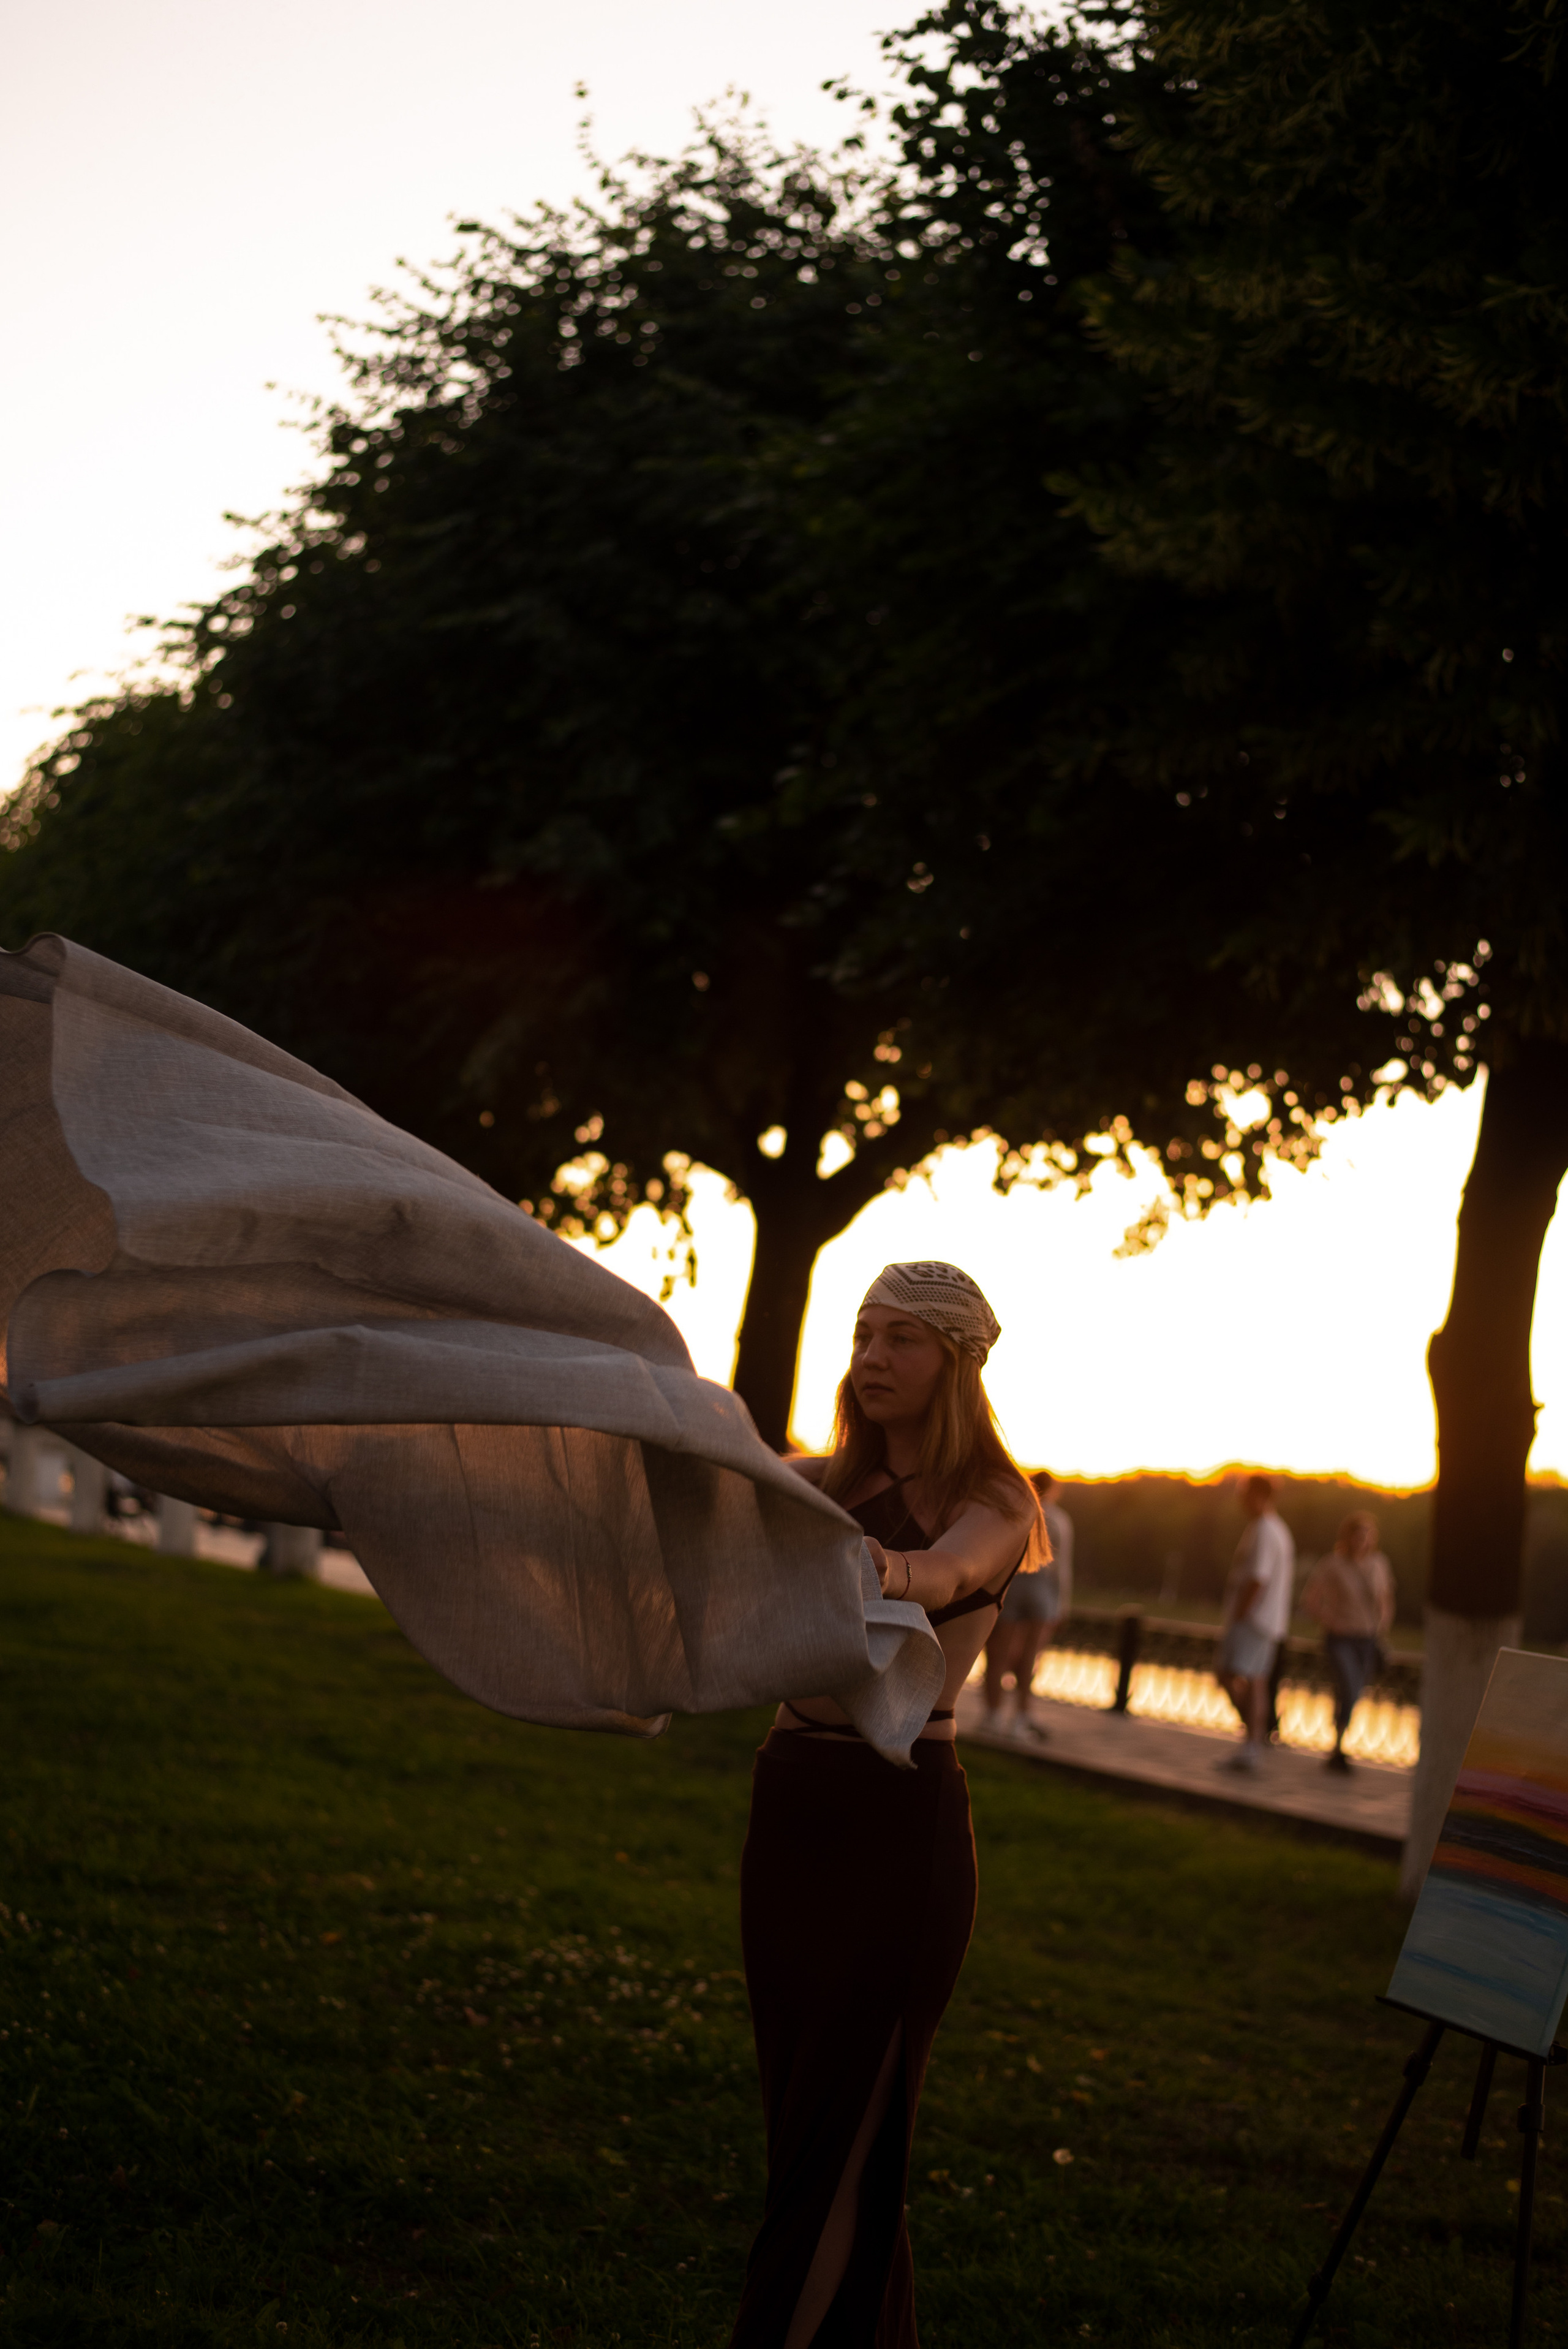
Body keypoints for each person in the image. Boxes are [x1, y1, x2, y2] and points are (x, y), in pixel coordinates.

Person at [731, 1260, 1042, 2349]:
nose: (871, 1356)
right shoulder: (819, 1481)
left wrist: (883, 1568)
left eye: (902, 1337)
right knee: (805, 2130)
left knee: (844, 2136)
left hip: (897, 1832)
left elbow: (949, 1572)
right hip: (792, 1807)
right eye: (864, 1333)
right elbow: (709, 1493)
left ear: (956, 1359)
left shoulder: (997, 1500)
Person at [1302, 1511, 1395, 1772]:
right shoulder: (1333, 1564)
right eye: (1358, 1535)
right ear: (1348, 1537)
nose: (1363, 1541)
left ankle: (1338, 1747)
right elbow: (1310, 1599)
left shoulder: (1379, 1564)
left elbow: (1386, 1600)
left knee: (1352, 1693)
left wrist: (1382, 1627)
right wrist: (1329, 1621)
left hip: (1368, 1639)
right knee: (1349, 1686)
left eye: (1367, 1535)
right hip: (1341, 1638)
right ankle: (1338, 1746)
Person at [1215, 1473, 1295, 1773]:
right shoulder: (1277, 1529)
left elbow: (1257, 1579)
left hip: (1254, 1621)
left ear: (1258, 1495)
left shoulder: (1264, 1529)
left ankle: (1253, 1739)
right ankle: (1253, 1743)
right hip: (1266, 1621)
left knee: (1230, 1675)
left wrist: (1239, 1614)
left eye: (1244, 1494)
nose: (1241, 1501)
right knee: (1256, 1681)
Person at [984, 1469, 1072, 1739]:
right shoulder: (1059, 1520)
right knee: (1030, 1657)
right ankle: (1021, 1716)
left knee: (998, 1656)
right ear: (1054, 1489)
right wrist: (1062, 1605)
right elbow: (1063, 1568)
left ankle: (993, 1715)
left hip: (1012, 1589)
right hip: (1042, 1593)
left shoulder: (1017, 1512)